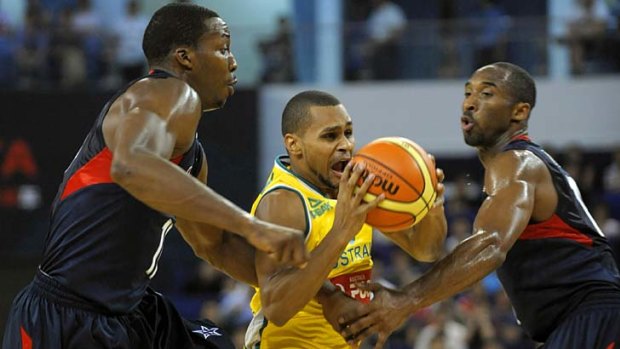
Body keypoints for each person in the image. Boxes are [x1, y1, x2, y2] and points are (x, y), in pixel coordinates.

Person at [2, 4, 308, 349]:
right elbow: (131, 166)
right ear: (184, 58)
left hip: (129, 312)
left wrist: (321, 291)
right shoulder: (168, 91)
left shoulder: (192, 156)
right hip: (67, 318)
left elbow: (216, 246)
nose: (234, 61)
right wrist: (253, 226)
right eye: (222, 48)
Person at [339, 62, 620, 348]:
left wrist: (405, 299)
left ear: (519, 112)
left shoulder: (517, 162)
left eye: (486, 94)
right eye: (468, 92)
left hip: (596, 316)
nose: (470, 103)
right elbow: (433, 252)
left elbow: (490, 245)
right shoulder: (518, 165)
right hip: (580, 320)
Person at [244, 90, 447, 348]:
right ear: (294, 145)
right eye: (330, 136)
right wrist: (340, 233)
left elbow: (426, 250)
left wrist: (432, 205)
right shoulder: (283, 203)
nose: (346, 145)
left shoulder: (354, 187)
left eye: (348, 133)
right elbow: (276, 308)